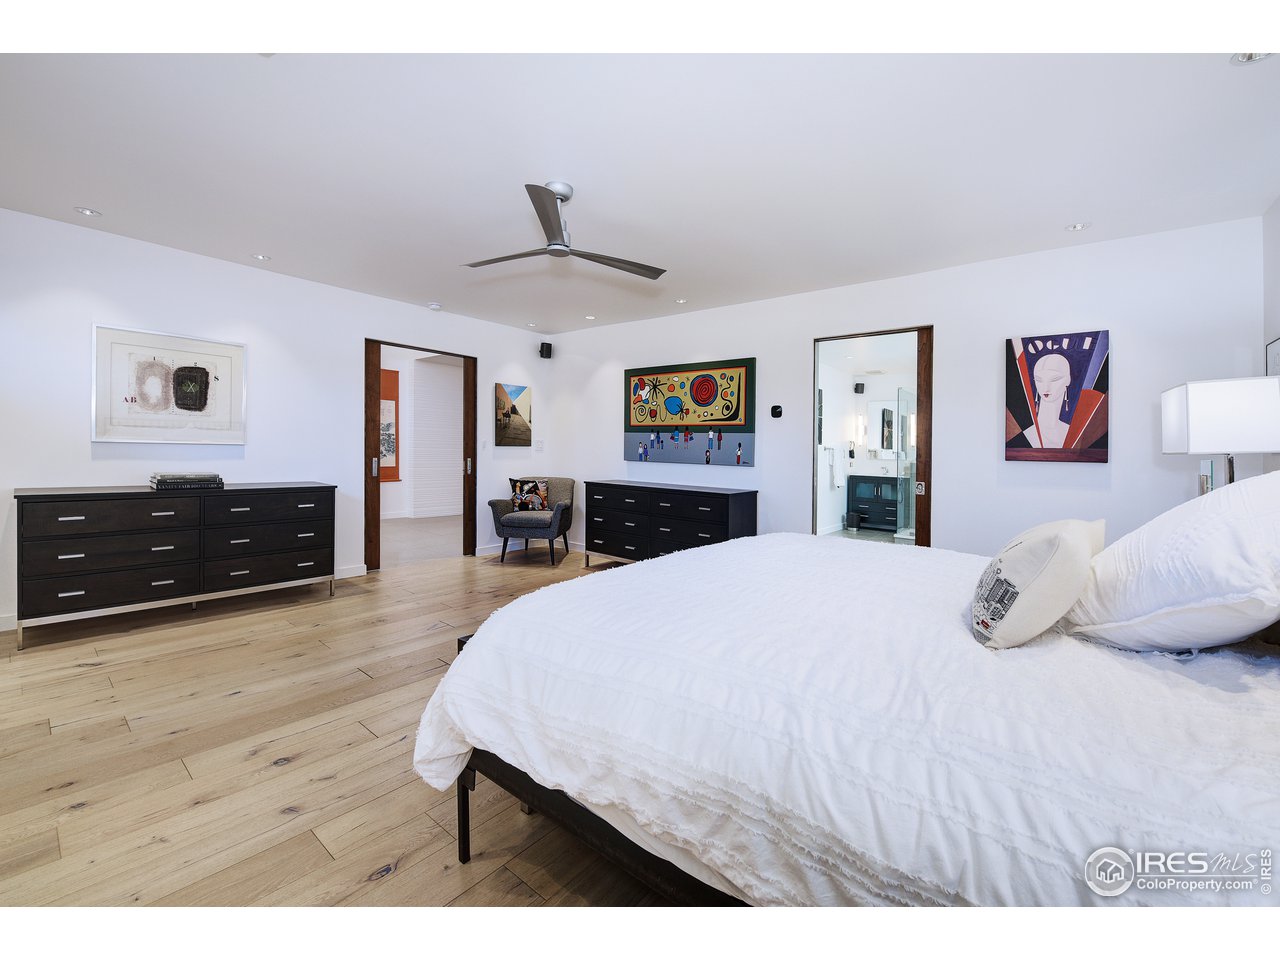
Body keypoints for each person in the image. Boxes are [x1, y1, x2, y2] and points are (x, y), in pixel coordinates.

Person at [1021, 353, 1072, 448]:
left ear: (1068, 380)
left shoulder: (1069, 431)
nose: (1046, 388)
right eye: (1039, 380)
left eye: (1054, 379)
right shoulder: (1028, 432)